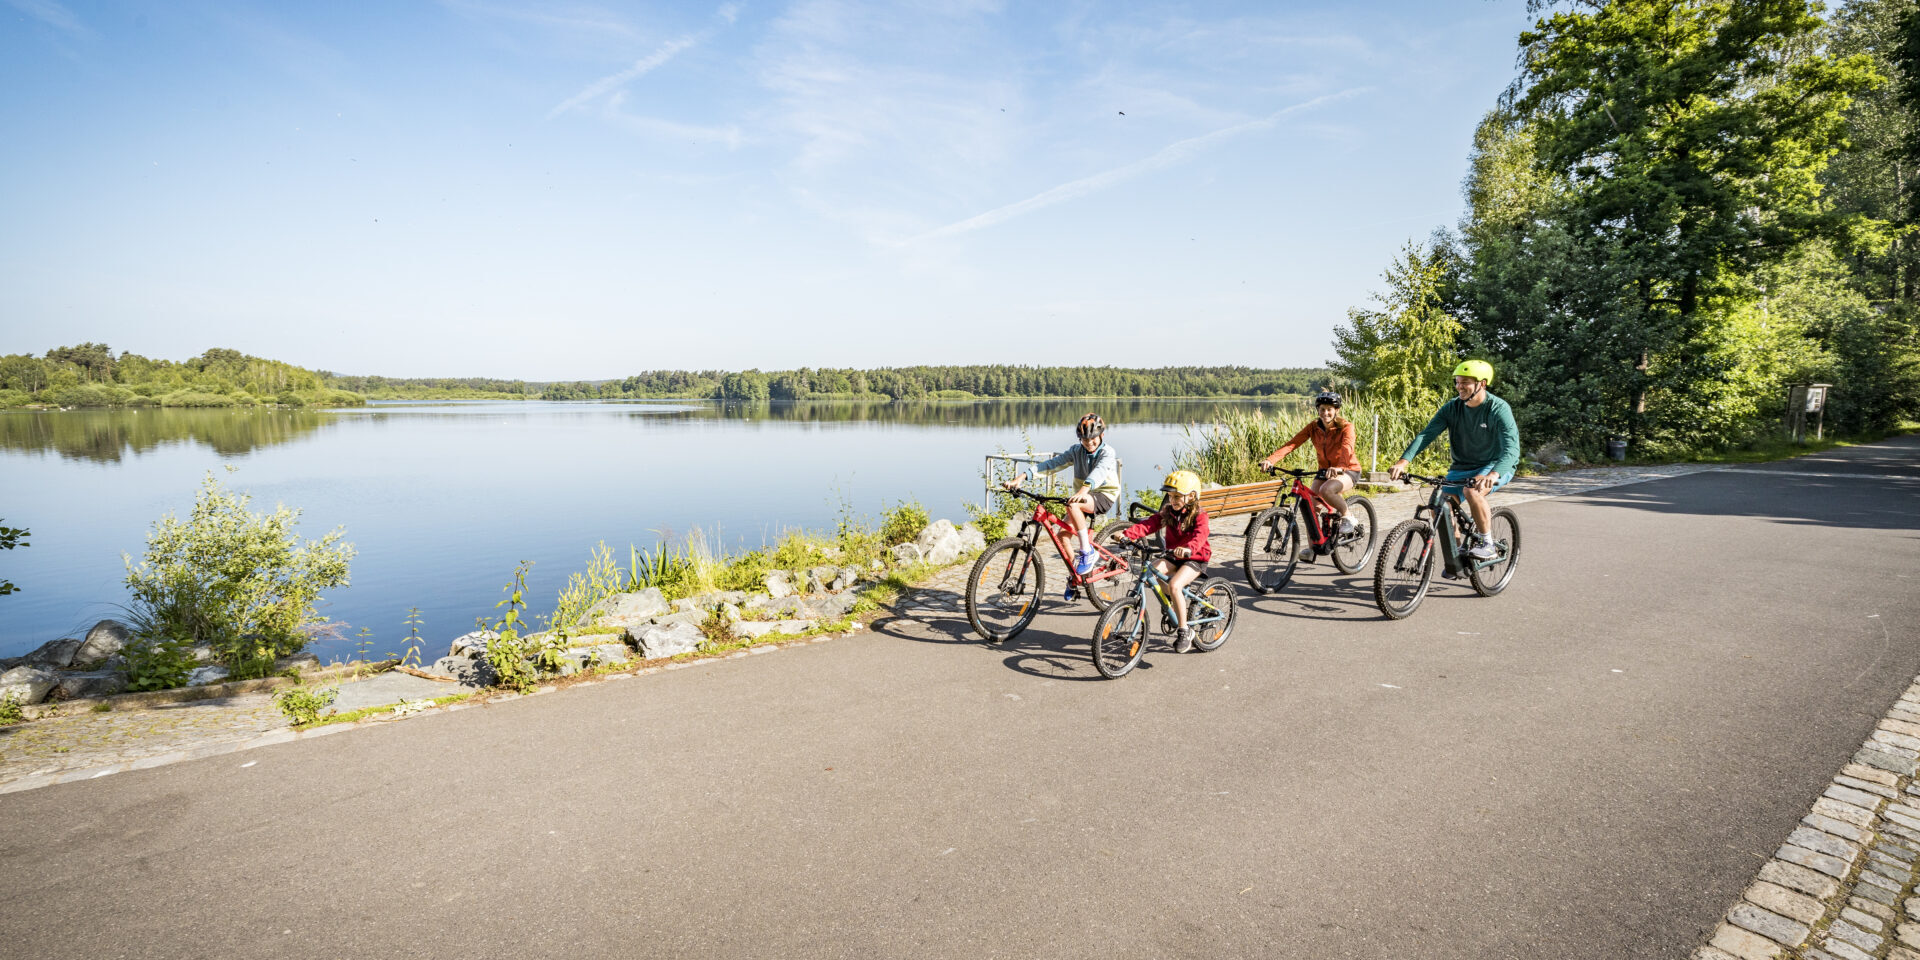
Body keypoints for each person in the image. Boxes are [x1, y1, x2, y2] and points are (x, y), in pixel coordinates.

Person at [1387, 360, 1520, 561]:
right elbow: (1426, 435)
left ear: (1481, 384)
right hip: (1461, 467)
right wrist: (1403, 461)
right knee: (1439, 505)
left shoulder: (1498, 408)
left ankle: (1487, 543)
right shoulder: (1452, 408)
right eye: (1457, 382)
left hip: (1494, 464)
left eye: (1465, 382)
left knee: (1472, 490)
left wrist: (1493, 474)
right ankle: (1456, 555)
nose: (1459, 386)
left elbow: (1512, 449)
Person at [1004, 413, 1121, 576]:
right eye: (1085, 439)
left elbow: (1099, 472)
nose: (1089, 443)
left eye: (1093, 438)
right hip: (1083, 497)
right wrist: (1022, 477)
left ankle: (1087, 552)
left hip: (1103, 494)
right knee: (1062, 536)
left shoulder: (1107, 452)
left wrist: (1083, 489)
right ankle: (1076, 576)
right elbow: (1052, 464)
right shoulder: (1076, 451)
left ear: (1101, 435)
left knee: (1072, 504)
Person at [1257, 390, 1363, 556]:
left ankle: (1348, 516)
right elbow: (1293, 443)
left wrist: (1340, 467)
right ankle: (1313, 549)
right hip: (1324, 471)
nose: (1325, 413)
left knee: (1326, 490)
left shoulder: (1346, 427)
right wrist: (1271, 460)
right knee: (1311, 509)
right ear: (1318, 410)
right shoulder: (1314, 427)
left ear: (1336, 411)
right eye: (1322, 409)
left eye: (1329, 409)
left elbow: (1347, 448)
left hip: (1348, 469)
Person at [1118, 470, 1211, 653]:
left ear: (1192, 496)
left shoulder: (1200, 515)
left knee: (1175, 585)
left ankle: (1185, 631)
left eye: (1177, 496)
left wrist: (1189, 548)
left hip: (1194, 557)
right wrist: (1126, 535)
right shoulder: (1169, 511)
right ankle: (1173, 604)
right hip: (1173, 555)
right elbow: (1149, 524)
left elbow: (1201, 536)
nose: (1172, 500)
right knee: (1152, 571)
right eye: (1170, 496)